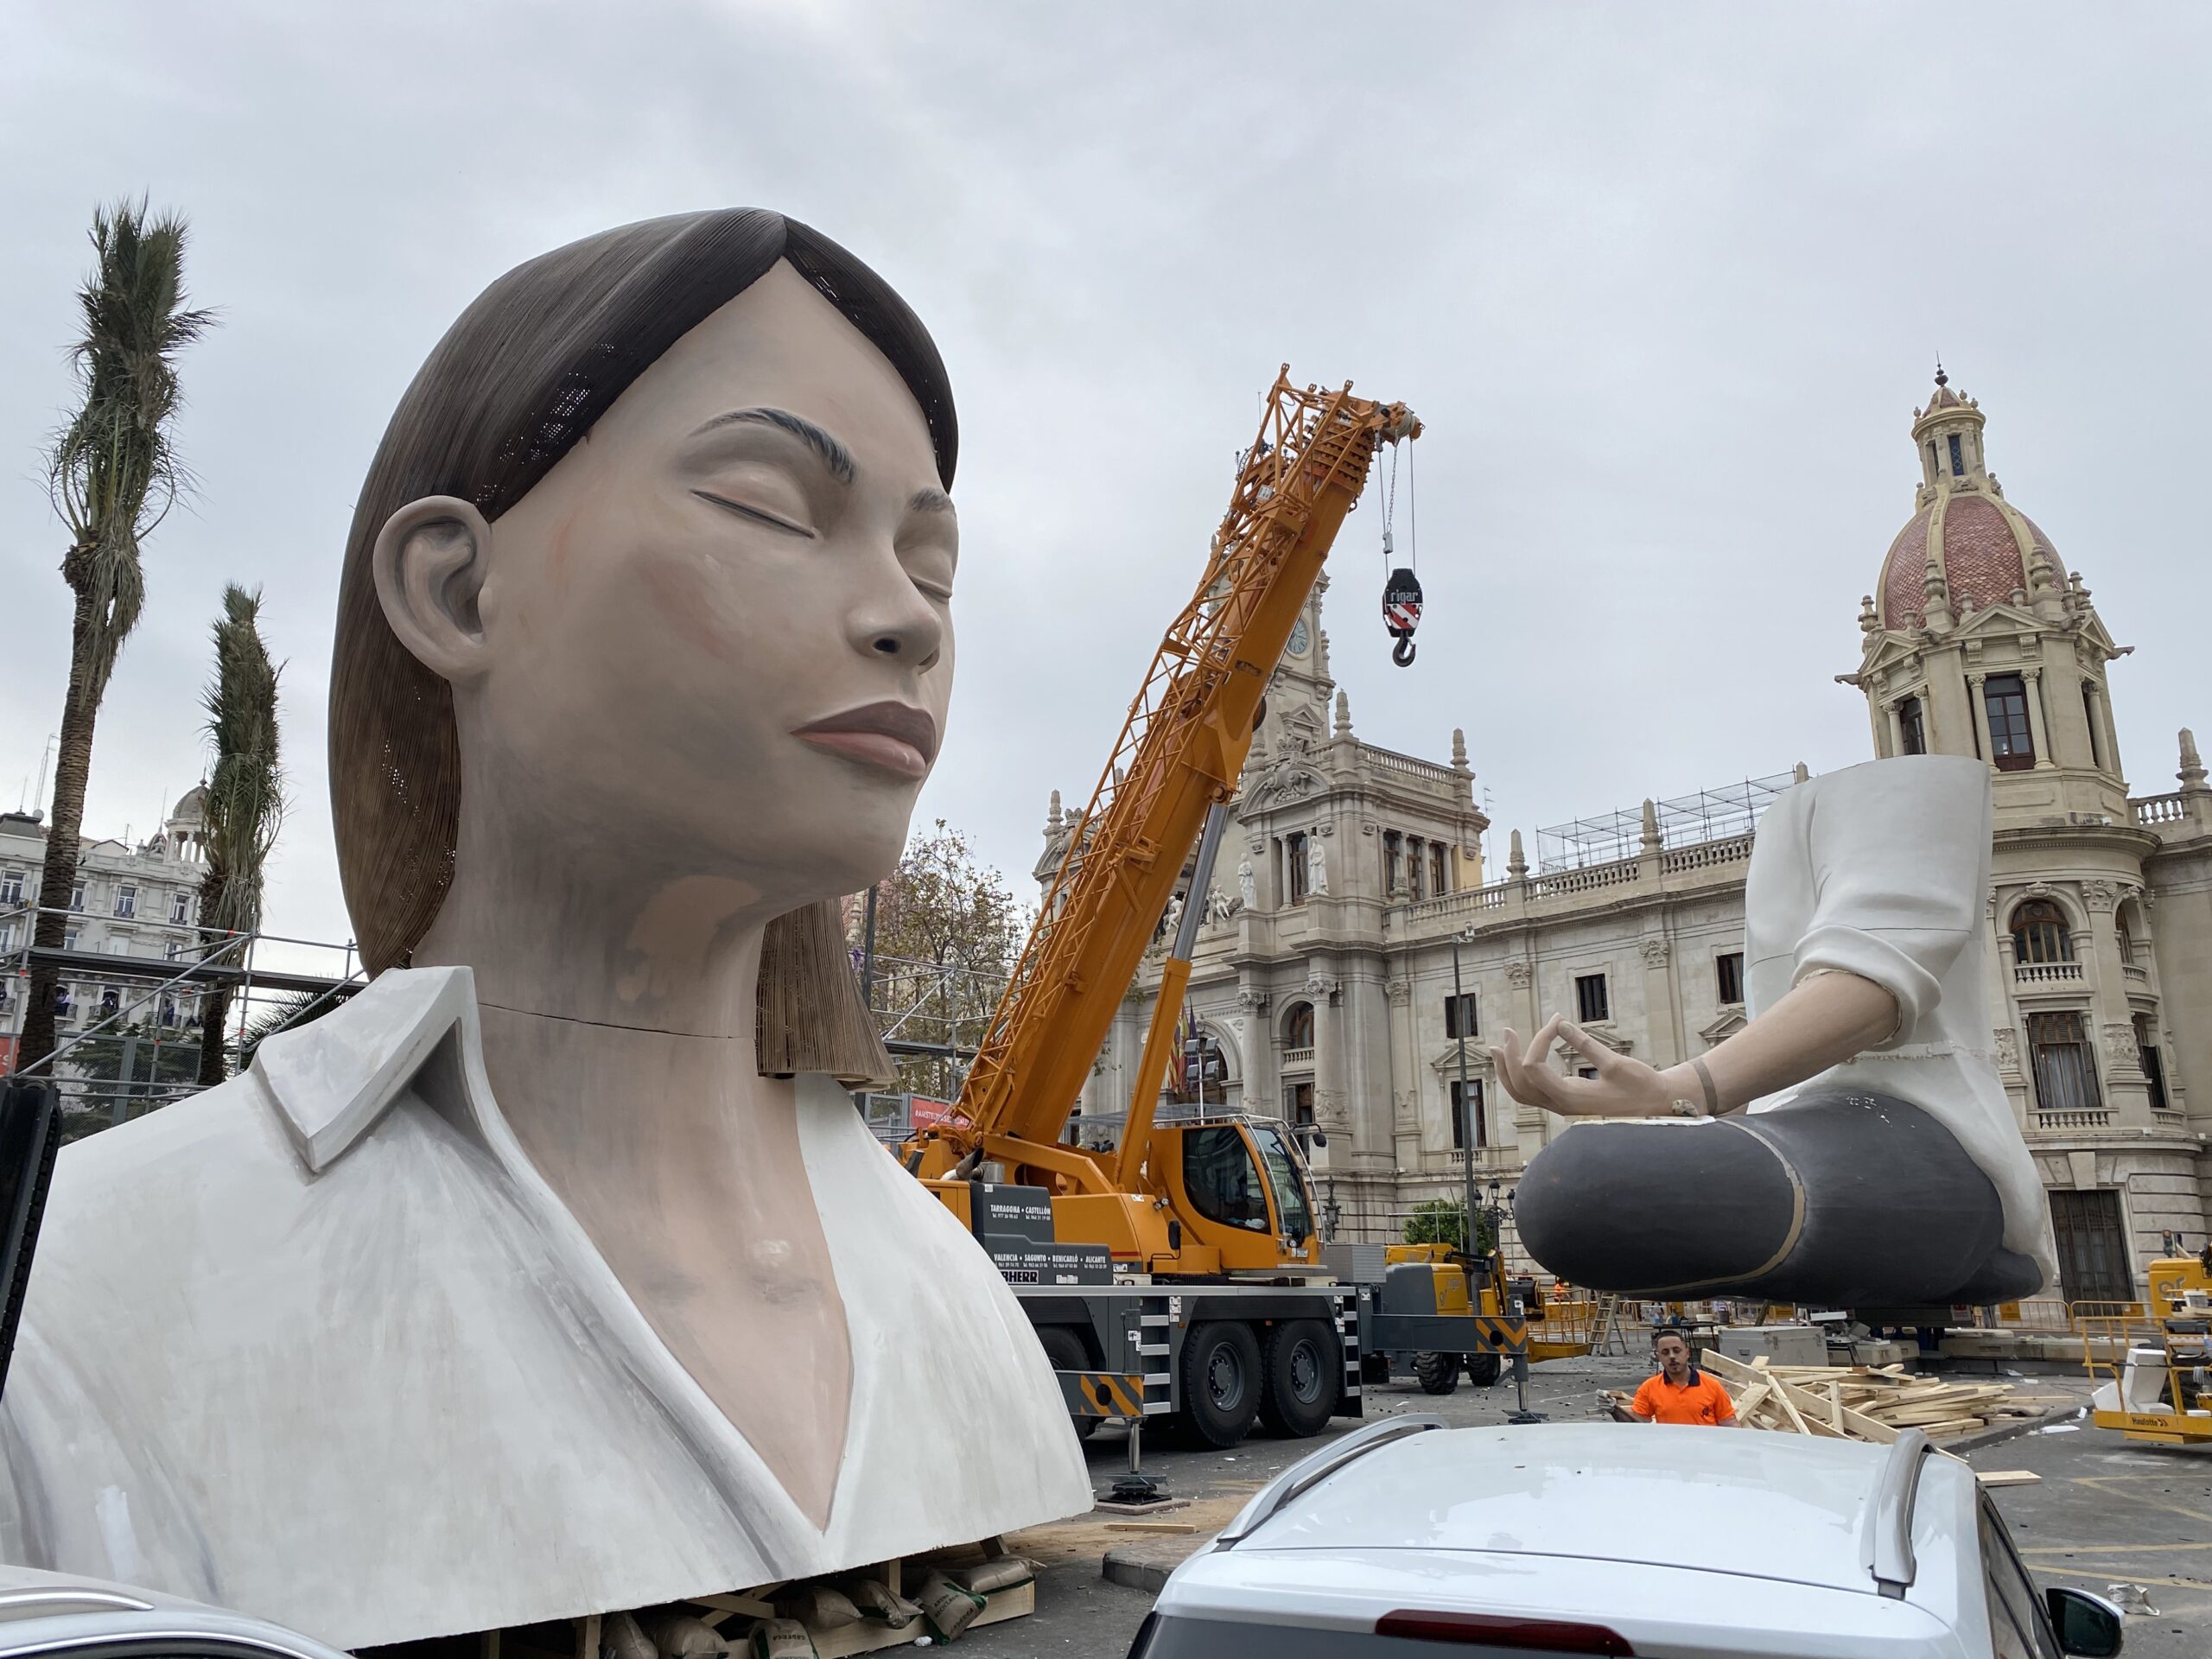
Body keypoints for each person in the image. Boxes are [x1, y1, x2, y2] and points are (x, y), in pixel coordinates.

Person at [0, 210, 1090, 1650]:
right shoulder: (79, 1313)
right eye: (771, 502)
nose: (910, 620)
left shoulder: (960, 1309)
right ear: (453, 588)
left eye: (933, 565)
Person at [1492, 756, 2055, 1308]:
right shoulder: (1794, 825)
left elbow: (1875, 982)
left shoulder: (1916, 789)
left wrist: (1676, 1092)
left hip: (1927, 1127)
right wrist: (1671, 1111)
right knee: (1573, 1187)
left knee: (1586, 1187)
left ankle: (1973, 1233)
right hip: (1807, 1130)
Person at [1629, 1328, 1737, 1427]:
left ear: (1687, 1352)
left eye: (1676, 1351)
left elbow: (1729, 1423)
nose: (1672, 1356)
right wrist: (1615, 1410)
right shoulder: (1650, 1388)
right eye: (1665, 1353)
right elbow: (1638, 1423)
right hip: (1670, 1446)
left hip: (1705, 1447)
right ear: (1658, 1357)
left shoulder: (1712, 1386)